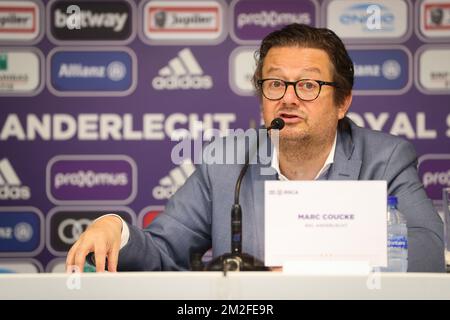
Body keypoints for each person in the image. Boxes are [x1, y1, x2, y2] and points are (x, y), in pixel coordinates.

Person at [66, 23, 445, 273]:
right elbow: (165, 250)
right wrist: (115, 228)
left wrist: (305, 267)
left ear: (342, 102)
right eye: (275, 84)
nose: (289, 99)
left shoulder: (385, 158)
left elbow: (427, 252)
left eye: (308, 85)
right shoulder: (227, 162)